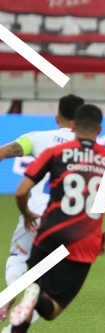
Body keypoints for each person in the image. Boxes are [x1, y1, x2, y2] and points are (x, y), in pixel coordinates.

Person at [7, 104, 105, 333]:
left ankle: (30, 300)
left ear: (73, 126)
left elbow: (20, 191)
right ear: (100, 130)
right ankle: (34, 298)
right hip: (83, 241)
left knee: (33, 291)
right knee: (53, 308)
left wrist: (27, 214)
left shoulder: (54, 153)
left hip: (46, 234)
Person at [0, 94, 84, 326]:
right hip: (71, 217)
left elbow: (4, 152)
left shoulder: (39, 138)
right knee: (53, 269)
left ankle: (6, 299)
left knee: (19, 257)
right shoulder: (91, 149)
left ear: (57, 117)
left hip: (36, 212)